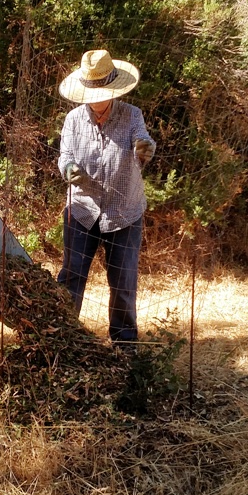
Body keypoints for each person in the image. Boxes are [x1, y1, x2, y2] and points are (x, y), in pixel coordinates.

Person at [56, 49, 156, 347]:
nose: (95, 98)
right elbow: (65, 157)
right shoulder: (73, 120)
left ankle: (124, 346)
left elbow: (144, 141)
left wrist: (143, 147)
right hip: (82, 211)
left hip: (124, 211)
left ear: (114, 91)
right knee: (72, 276)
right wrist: (69, 169)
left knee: (123, 283)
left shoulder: (131, 115)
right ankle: (60, 338)